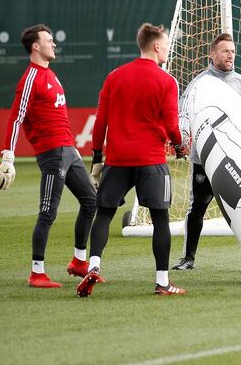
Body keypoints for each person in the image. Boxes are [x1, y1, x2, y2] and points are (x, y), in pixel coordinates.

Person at [76, 23, 189, 297]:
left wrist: (97, 157)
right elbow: (172, 123)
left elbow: (100, 120)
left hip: (117, 159)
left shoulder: (115, 76)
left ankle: (94, 266)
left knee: (104, 214)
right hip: (150, 160)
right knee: (160, 219)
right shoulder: (166, 80)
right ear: (157, 46)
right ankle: (162, 282)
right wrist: (179, 145)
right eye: (165, 43)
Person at [0, 24, 97, 288]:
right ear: (35, 46)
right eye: (49, 41)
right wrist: (8, 157)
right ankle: (37, 273)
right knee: (48, 212)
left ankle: (79, 262)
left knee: (91, 202)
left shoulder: (52, 74)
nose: (54, 44)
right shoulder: (30, 78)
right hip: (51, 153)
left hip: (69, 150)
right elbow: (16, 119)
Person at [173, 33, 241, 271]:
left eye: (233, 51)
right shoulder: (200, 83)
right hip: (204, 158)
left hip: (233, 157)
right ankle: (188, 258)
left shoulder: (240, 82)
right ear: (213, 54)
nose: (230, 55)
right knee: (199, 206)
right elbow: (184, 113)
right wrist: (183, 139)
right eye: (225, 51)